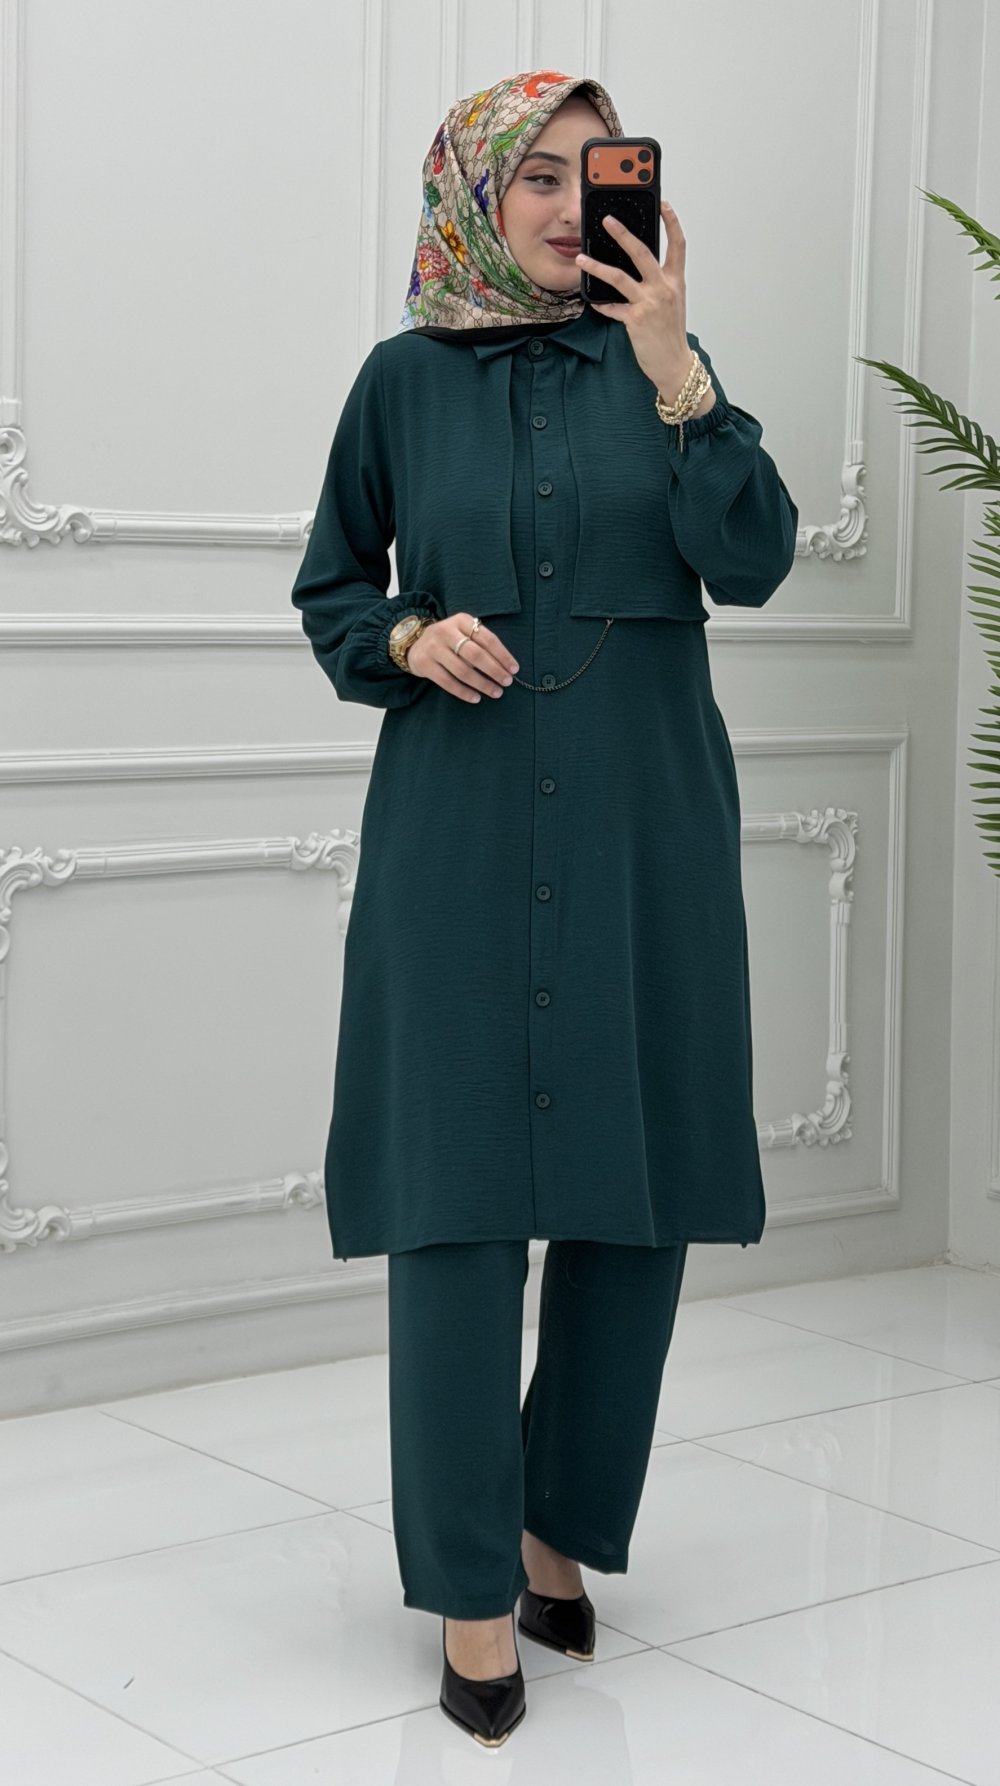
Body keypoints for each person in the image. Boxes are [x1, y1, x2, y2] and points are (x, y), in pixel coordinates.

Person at [291, 68, 798, 1747]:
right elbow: (331, 589)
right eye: (542, 177)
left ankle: (551, 1529)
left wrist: (680, 373)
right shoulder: (399, 383)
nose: (580, 204)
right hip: (453, 832)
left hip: (648, 828)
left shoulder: (668, 369)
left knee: (632, 1195)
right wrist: (406, 637)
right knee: (452, 1206)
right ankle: (468, 1591)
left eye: (605, 173)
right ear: (474, 195)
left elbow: (757, 558)